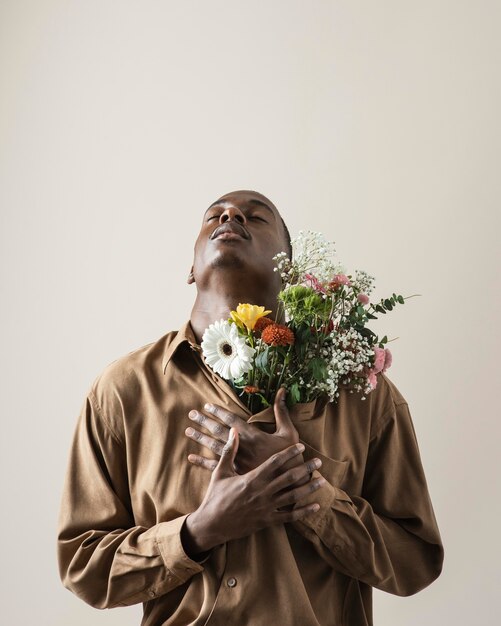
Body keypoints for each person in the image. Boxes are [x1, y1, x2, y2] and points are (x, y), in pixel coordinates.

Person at [57, 190, 444, 626]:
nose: (231, 214)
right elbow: (83, 565)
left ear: (291, 271)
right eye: (214, 216)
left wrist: (306, 488)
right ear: (191, 267)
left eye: (255, 217)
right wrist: (198, 531)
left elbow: (416, 562)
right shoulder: (123, 392)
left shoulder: (363, 393)